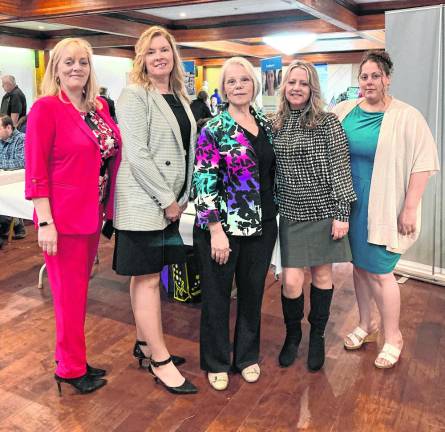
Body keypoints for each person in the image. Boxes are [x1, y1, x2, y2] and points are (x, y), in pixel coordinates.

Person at [25, 37, 121, 395]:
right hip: (61, 221)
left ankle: (74, 358)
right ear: (55, 68)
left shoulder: (98, 108)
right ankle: (68, 368)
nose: (76, 67)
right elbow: (36, 170)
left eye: (82, 61)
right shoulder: (45, 108)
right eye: (68, 62)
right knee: (67, 296)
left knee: (78, 294)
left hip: (90, 216)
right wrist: (45, 221)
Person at [333, 51, 440, 369]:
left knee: (381, 271)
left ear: (387, 78)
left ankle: (394, 337)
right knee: (359, 268)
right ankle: (367, 325)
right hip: (349, 205)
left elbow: (423, 162)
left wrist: (410, 207)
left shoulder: (407, 116)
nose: (368, 82)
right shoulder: (343, 110)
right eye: (364, 76)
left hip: (383, 205)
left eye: (375, 76)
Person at [113, 26, 198, 395]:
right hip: (145, 200)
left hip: (169, 199)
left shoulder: (178, 94)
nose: (159, 56)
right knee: (147, 279)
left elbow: (184, 150)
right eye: (151, 52)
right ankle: (160, 361)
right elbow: (138, 154)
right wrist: (168, 200)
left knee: (145, 276)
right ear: (141, 59)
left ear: (174, 55)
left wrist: (184, 193)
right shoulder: (134, 94)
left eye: (165, 49)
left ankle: (145, 344)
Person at [193, 57, 277, 391]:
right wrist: (215, 230)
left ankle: (246, 356)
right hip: (223, 228)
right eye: (231, 81)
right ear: (223, 88)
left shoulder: (265, 123)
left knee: (253, 293)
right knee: (216, 296)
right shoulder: (213, 129)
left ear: (254, 85)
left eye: (244, 80)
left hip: (263, 225)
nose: (239, 86)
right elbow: (203, 181)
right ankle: (215, 360)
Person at [273, 60, 356, 372]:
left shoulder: (328, 122)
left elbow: (340, 167)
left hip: (324, 212)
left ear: (312, 89)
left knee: (322, 277)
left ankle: (317, 335)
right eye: (292, 82)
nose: (296, 88)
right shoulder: (275, 122)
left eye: (303, 83)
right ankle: (293, 335)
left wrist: (341, 213)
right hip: (291, 214)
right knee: (291, 281)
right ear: (284, 86)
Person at [0, 114, 26, 241]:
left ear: (8, 127)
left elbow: (21, 162)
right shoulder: (1, 139)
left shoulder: (22, 139)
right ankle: (12, 222)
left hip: (20, 180)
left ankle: (12, 222)